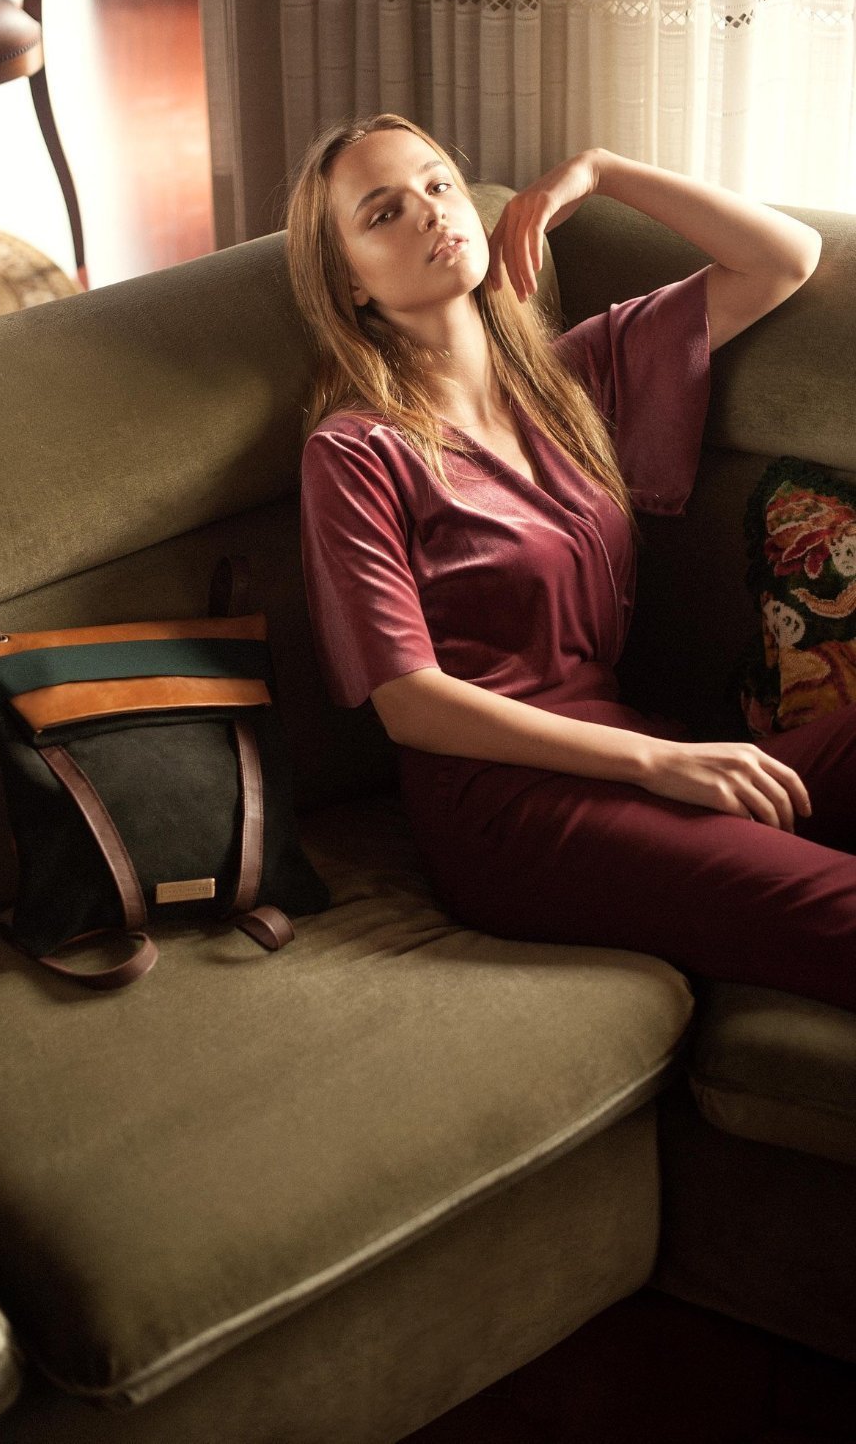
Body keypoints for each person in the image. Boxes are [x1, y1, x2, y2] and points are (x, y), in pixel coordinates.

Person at [287, 112, 856, 1013]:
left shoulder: (574, 378)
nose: (432, 211)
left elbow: (784, 258)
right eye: (384, 212)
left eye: (439, 183)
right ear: (348, 281)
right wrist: (651, 763)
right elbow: (409, 703)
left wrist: (601, 168)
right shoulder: (355, 453)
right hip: (508, 811)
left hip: (638, 757)